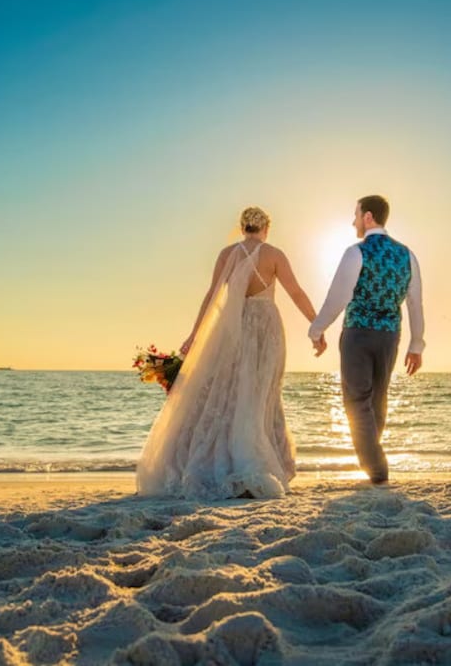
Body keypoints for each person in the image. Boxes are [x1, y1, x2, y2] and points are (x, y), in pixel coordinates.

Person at [136, 206, 325, 500]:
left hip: (233, 329)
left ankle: (224, 459)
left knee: (230, 392)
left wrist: (194, 336)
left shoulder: (227, 254)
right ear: (266, 228)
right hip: (266, 329)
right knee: (262, 395)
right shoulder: (274, 254)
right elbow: (296, 292)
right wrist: (317, 327)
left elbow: (212, 297)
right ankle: (257, 461)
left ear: (242, 227)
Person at [309, 195, 425, 484]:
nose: (353, 221)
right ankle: (374, 464)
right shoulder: (407, 254)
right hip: (390, 336)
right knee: (377, 399)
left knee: (356, 400)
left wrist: (316, 330)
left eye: (356, 215)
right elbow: (415, 303)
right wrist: (416, 344)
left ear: (369, 217)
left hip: (358, 334)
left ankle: (376, 467)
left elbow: (337, 297)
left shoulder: (355, 252)